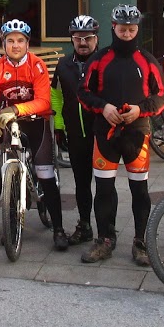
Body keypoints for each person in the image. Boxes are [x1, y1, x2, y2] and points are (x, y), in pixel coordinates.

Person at [77, 5, 164, 265]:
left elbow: (162, 95)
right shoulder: (99, 59)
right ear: (113, 28)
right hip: (105, 132)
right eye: (122, 29)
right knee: (104, 189)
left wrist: (141, 110)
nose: (126, 34)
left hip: (137, 133)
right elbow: (83, 92)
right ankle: (105, 240)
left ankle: (141, 243)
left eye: (131, 29)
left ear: (137, 29)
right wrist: (103, 107)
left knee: (140, 190)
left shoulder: (147, 60)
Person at [0, 20, 64, 250]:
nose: (15, 45)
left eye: (20, 41)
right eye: (11, 41)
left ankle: (59, 229)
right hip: (11, 123)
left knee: (45, 174)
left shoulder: (37, 65)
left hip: (36, 123)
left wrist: (15, 108)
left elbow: (44, 101)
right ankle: (11, 224)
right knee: (9, 173)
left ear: (27, 43)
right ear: (4, 43)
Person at [55, 14, 101, 246]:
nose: (83, 43)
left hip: (101, 133)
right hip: (75, 133)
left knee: (104, 185)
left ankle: (106, 233)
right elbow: (56, 95)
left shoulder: (104, 61)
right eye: (77, 38)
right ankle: (85, 226)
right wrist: (59, 126)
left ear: (96, 38)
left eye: (88, 38)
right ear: (72, 39)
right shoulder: (63, 64)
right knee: (81, 183)